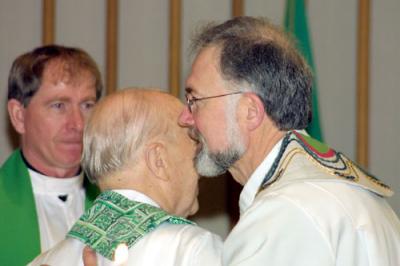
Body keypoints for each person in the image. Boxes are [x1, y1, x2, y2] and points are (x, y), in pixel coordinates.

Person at [178, 16, 400, 266]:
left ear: (250, 111)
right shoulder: (350, 193)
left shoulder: (284, 213)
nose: (185, 117)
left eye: (195, 100)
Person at [29, 88, 222, 266]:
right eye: (195, 144)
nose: (202, 162)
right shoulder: (191, 249)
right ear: (158, 160)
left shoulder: (43, 260)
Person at [0, 45, 102, 265]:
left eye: (87, 105)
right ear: (18, 116)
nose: (78, 123)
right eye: (58, 105)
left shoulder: (115, 205)